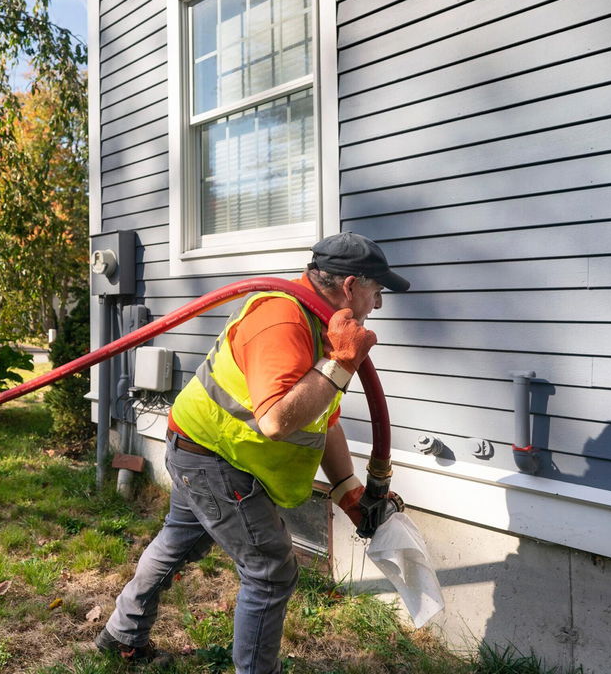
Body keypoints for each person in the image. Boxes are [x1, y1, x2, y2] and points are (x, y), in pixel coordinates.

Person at [96, 232, 411, 673]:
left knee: (177, 542)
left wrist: (348, 492)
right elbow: (277, 420)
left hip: (208, 447)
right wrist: (341, 363)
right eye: (376, 291)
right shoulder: (282, 320)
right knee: (270, 568)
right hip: (211, 457)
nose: (376, 304)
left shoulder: (324, 325)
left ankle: (120, 634)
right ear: (350, 286)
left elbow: (323, 418)